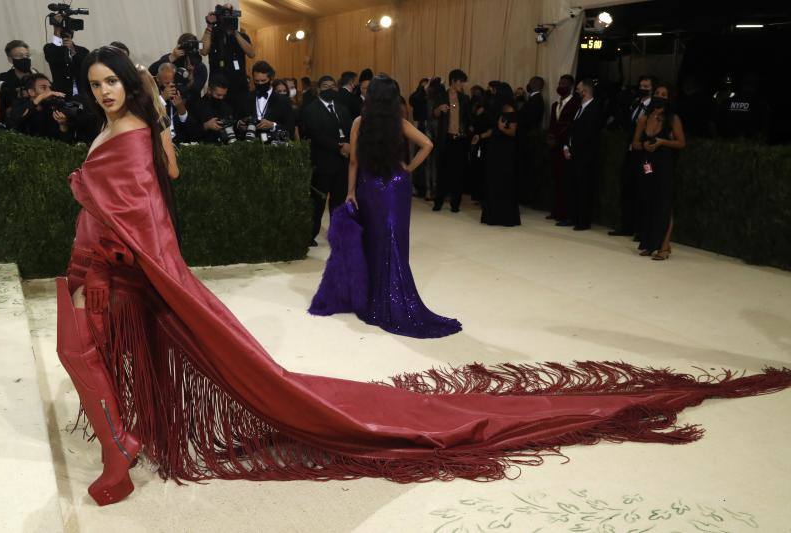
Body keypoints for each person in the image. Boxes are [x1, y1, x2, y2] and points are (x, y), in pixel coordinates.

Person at [57, 46, 791, 507]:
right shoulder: (122, 127)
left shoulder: (133, 130)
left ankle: (125, 440)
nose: (103, 92)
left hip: (135, 262)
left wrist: (98, 206)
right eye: (94, 84)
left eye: (109, 82)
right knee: (382, 267)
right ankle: (129, 429)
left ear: (127, 83)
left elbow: (149, 207)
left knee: (386, 266)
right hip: (377, 194)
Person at [310, 76, 462, 338]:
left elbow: (354, 162)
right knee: (395, 241)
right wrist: (409, 168)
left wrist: (349, 192)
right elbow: (428, 144)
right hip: (396, 187)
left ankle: (373, 296)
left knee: (373, 240)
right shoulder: (399, 122)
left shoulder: (359, 123)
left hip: (369, 187)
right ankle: (391, 295)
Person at [633, 85, 686, 260]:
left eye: (664, 94)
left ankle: (663, 246)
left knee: (664, 205)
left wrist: (663, 142)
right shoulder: (644, 118)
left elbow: (681, 143)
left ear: (669, 99)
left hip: (665, 165)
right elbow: (635, 144)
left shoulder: (673, 119)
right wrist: (644, 145)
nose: (659, 96)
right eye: (657, 93)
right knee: (649, 204)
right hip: (647, 165)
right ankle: (649, 243)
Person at [302, 76, 352, 246]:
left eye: (333, 86)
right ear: (318, 89)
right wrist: (340, 147)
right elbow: (316, 135)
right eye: (325, 86)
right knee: (318, 201)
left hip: (342, 162)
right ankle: (310, 234)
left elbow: (350, 130)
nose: (330, 89)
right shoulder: (311, 109)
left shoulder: (342, 109)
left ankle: (337, 233)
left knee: (339, 200)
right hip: (323, 161)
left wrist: (349, 146)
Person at [609, 74, 656, 238]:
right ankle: (626, 226)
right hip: (631, 152)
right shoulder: (635, 104)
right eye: (641, 86)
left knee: (643, 190)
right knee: (627, 188)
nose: (643, 89)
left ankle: (642, 230)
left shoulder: (654, 109)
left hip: (646, 155)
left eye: (647, 87)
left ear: (652, 89)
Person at [562, 78, 604, 231]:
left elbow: (589, 135)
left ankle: (583, 220)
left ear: (585, 91)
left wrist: (574, 149)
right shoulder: (579, 108)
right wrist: (566, 146)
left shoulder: (595, 108)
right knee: (573, 187)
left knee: (584, 188)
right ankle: (572, 217)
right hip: (574, 155)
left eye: (578, 89)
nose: (577, 91)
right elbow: (572, 130)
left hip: (586, 157)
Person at [480, 83, 520, 226]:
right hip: (495, 147)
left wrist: (501, 128)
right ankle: (492, 215)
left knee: (503, 181)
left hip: (505, 149)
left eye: (495, 91)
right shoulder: (497, 108)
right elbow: (494, 129)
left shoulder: (509, 108)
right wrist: (482, 136)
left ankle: (502, 216)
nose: (492, 94)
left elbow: (512, 132)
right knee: (493, 180)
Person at [200, 3, 255, 107]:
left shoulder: (241, 36)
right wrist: (209, 26)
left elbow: (252, 53)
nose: (227, 19)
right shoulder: (212, 34)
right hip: (218, 89)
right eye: (224, 15)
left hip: (239, 88)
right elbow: (203, 51)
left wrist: (235, 32)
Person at [433, 69, 470, 212]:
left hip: (460, 139)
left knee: (458, 172)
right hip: (445, 138)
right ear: (454, 81)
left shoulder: (464, 98)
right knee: (442, 171)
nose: (463, 84)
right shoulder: (441, 95)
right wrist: (439, 109)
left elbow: (467, 118)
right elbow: (434, 114)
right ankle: (438, 202)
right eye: (461, 82)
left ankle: (455, 204)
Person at [546, 74, 581, 223]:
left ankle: (565, 213)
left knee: (566, 180)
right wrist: (550, 138)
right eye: (560, 83)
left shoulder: (575, 103)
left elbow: (571, 125)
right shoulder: (555, 104)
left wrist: (560, 139)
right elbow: (552, 124)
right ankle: (556, 210)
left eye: (564, 84)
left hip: (566, 146)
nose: (561, 86)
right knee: (556, 179)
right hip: (554, 147)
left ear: (571, 86)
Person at [6, 73, 74, 141]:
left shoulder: (52, 107)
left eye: (49, 88)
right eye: (43, 88)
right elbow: (16, 120)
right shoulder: (19, 104)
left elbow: (67, 141)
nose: (49, 91)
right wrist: (40, 97)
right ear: (31, 92)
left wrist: (62, 125)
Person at [237, 61, 295, 140]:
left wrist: (273, 125)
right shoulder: (246, 98)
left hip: (274, 147)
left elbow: (290, 129)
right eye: (256, 81)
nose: (260, 84)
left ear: (271, 79)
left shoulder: (283, 101)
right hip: (249, 146)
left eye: (263, 81)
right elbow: (237, 120)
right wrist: (240, 124)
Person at [148, 33, 208, 104]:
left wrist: (191, 74)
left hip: (192, 105)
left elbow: (194, 92)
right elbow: (151, 71)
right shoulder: (173, 59)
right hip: (170, 102)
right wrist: (172, 57)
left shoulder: (200, 67)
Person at [43, 20, 89, 97]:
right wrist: (57, 33)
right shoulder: (50, 48)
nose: (67, 30)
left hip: (82, 95)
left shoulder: (83, 51)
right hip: (61, 95)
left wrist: (73, 51)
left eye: (70, 28)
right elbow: (52, 57)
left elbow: (85, 67)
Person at [0, 40, 37, 124]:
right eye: (20, 56)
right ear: (10, 59)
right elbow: (0, 109)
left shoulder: (36, 75)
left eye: (27, 55)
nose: (25, 58)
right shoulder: (3, 79)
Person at [195, 74, 236, 144]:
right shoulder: (197, 106)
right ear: (209, 90)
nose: (221, 98)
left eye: (224, 95)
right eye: (218, 95)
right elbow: (190, 132)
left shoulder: (227, 108)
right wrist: (206, 126)